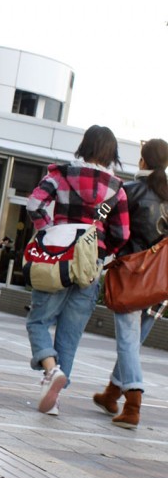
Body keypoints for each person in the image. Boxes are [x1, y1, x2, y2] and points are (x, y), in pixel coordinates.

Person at [25, 125, 129, 416]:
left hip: (56, 258)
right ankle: (54, 398)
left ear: (85, 145)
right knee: (70, 334)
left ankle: (50, 370)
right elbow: (122, 233)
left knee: (38, 322)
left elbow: (34, 204)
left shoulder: (60, 175)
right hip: (89, 266)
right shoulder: (116, 189)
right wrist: (99, 254)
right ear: (111, 152)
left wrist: (49, 230)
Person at [93, 138, 168, 429]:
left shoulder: (128, 190)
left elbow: (106, 222)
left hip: (133, 277)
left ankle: (133, 404)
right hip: (161, 281)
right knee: (132, 344)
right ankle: (111, 393)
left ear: (143, 161)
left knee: (127, 342)